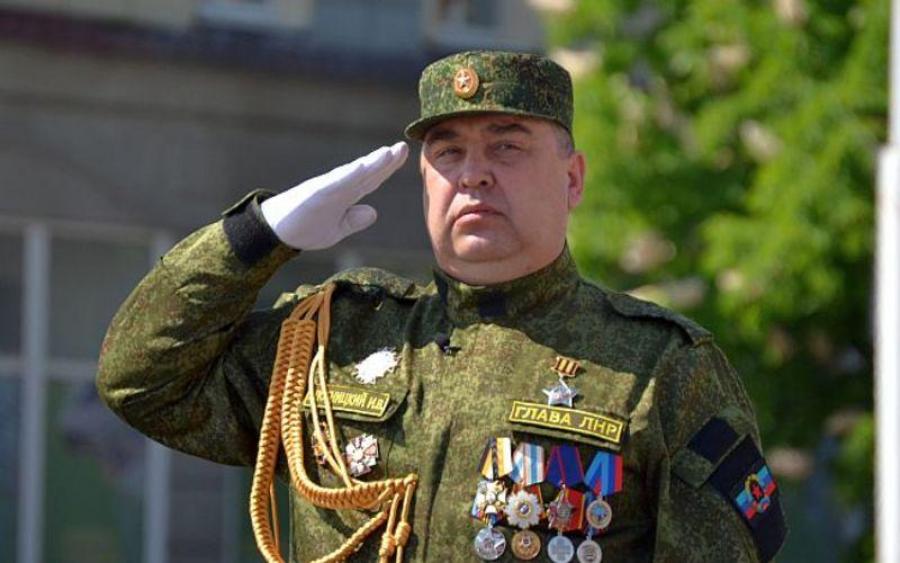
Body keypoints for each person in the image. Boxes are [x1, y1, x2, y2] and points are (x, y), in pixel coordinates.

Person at [97, 50, 787, 562]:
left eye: (506, 146)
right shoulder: (334, 337)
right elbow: (141, 381)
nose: (474, 174)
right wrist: (256, 236)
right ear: (424, 180)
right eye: (448, 152)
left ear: (572, 178)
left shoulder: (659, 367)